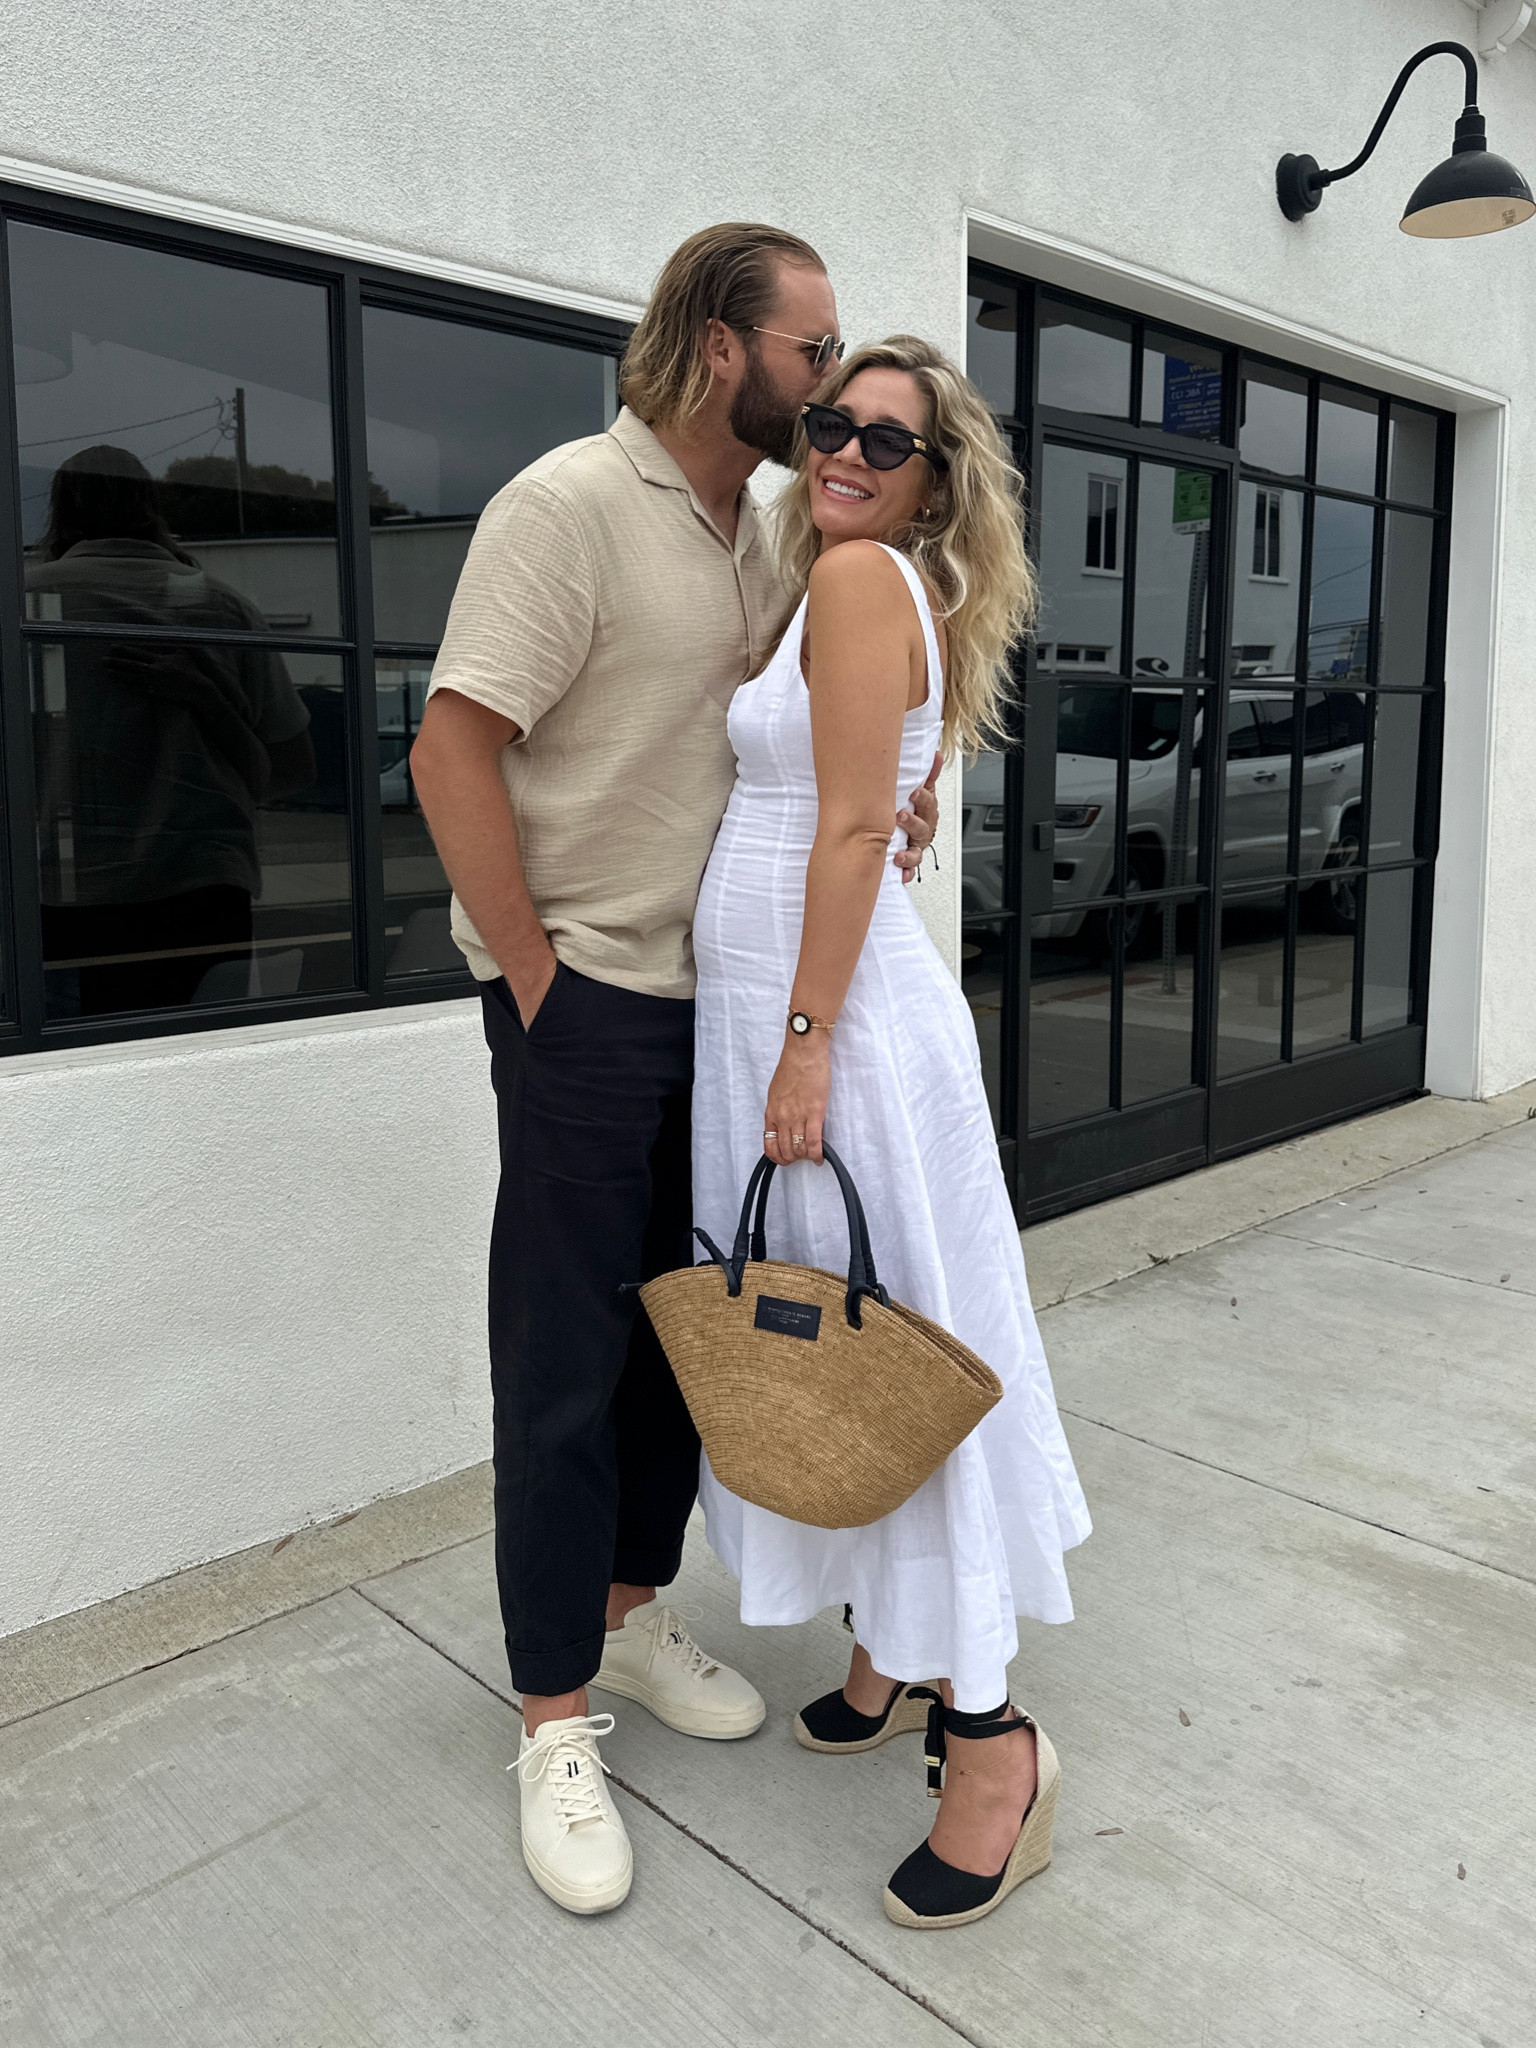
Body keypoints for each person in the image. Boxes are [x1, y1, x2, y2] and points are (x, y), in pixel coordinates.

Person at [409, 226, 938, 1917]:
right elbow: (450, 745)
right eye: (813, 352)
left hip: (712, 1013)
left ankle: (628, 1619)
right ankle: (552, 1714)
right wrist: (540, 980)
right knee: (562, 1362)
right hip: (589, 1007)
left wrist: (897, 795)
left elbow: (793, 751)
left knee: (674, 1350)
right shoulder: (567, 505)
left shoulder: (766, 535)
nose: (832, 391)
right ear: (723, 347)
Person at [691, 337, 1091, 1930]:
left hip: (826, 1031)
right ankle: (888, 1651)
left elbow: (855, 824)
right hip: (804, 1020)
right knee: (847, 1348)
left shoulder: (862, 586)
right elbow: (874, 794)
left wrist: (802, 1043)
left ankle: (994, 1748)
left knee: (880, 1345)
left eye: (887, 439)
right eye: (829, 423)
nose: (847, 451)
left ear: (936, 479)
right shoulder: (841, 581)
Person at [27, 444, 314, 1015]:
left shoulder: (30, 605)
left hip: (68, 885)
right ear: (150, 506)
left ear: (60, 511)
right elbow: (291, 771)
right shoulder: (223, 607)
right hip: (203, 884)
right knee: (202, 1055)